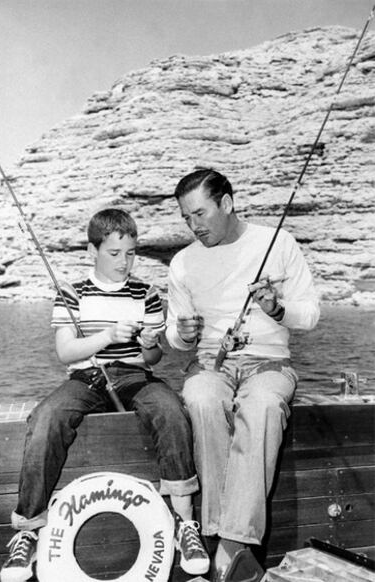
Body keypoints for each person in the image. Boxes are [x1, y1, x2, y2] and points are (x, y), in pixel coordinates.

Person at [0, 208, 209, 582]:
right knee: (46, 418)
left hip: (135, 375)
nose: (124, 262)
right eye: (114, 254)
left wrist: (148, 344)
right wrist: (108, 336)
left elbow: (153, 357)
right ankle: (28, 530)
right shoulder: (71, 292)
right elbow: (66, 352)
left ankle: (185, 525)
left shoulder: (147, 293)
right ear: (91, 250)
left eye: (130, 253)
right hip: (85, 378)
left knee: (171, 410)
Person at [166, 169, 320, 582]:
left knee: (265, 405)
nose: (194, 226)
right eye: (186, 218)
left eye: (200, 214)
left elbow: (310, 314)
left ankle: (228, 545)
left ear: (227, 203)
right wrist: (181, 335)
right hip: (211, 365)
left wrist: (277, 308)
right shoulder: (183, 263)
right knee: (201, 398)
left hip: (269, 364)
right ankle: (226, 545)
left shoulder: (279, 243)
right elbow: (173, 337)